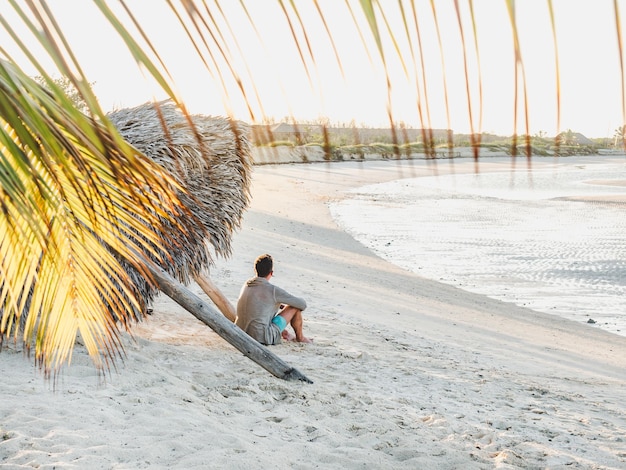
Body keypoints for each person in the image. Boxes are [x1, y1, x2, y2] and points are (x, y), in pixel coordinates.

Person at [236, 253, 311, 345]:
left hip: (240, 333)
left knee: (262, 317)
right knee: (294, 308)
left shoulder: (246, 285)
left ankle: (285, 334)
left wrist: (278, 304)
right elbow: (302, 304)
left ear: (255, 270)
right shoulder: (273, 290)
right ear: (271, 273)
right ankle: (301, 338)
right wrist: (285, 304)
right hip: (262, 337)